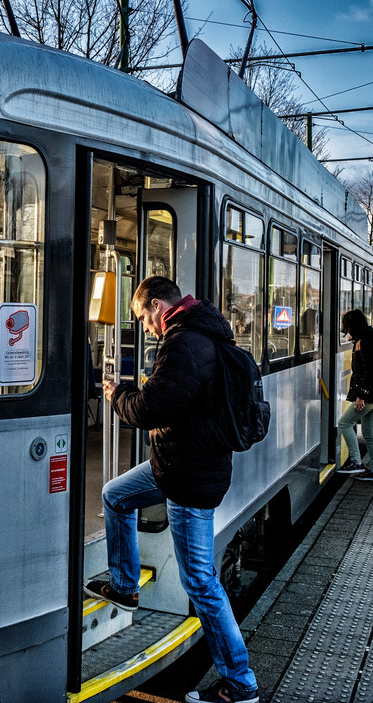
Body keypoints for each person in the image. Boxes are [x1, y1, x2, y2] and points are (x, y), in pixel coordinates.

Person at [85, 276, 258, 703]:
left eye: (143, 318)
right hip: (179, 464)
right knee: (116, 495)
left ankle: (240, 683)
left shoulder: (183, 343)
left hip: (187, 476)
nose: (144, 328)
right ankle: (125, 586)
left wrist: (117, 394)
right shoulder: (202, 333)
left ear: (159, 307)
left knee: (200, 581)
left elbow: (150, 408)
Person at [337, 309, 373, 481]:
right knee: (368, 433)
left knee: (344, 423)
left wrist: (362, 395)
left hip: (370, 395)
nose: (346, 329)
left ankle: (356, 462)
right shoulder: (369, 339)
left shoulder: (366, 342)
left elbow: (371, 372)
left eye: (347, 325)